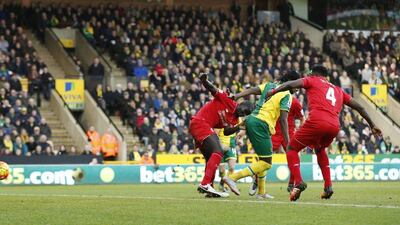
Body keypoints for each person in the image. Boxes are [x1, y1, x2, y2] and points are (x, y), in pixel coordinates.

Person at [266, 65, 382, 201]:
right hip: (334, 126)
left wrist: (274, 91)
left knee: (291, 148)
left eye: (310, 73)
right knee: (320, 150)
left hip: (317, 121)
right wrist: (372, 125)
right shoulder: (338, 90)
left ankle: (298, 182)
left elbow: (291, 83)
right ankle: (328, 187)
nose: (308, 75)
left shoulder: (312, 80)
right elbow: (359, 107)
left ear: (314, 74)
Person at [223, 71, 300, 199]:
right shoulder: (286, 95)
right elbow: (283, 120)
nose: (297, 89)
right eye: (297, 86)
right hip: (261, 124)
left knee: (262, 159)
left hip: (253, 120)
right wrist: (288, 143)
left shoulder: (270, 86)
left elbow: (252, 90)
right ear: (291, 83)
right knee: (267, 163)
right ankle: (232, 178)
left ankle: (261, 192)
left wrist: (236, 96)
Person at [189, 73, 254, 198]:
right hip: (201, 122)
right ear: (240, 104)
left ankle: (210, 188)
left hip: (201, 126)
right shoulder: (228, 100)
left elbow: (226, 131)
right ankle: (205, 183)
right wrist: (204, 81)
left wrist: (238, 127)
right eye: (242, 109)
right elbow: (213, 90)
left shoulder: (235, 119)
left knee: (210, 157)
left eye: (244, 113)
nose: (241, 112)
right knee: (218, 151)